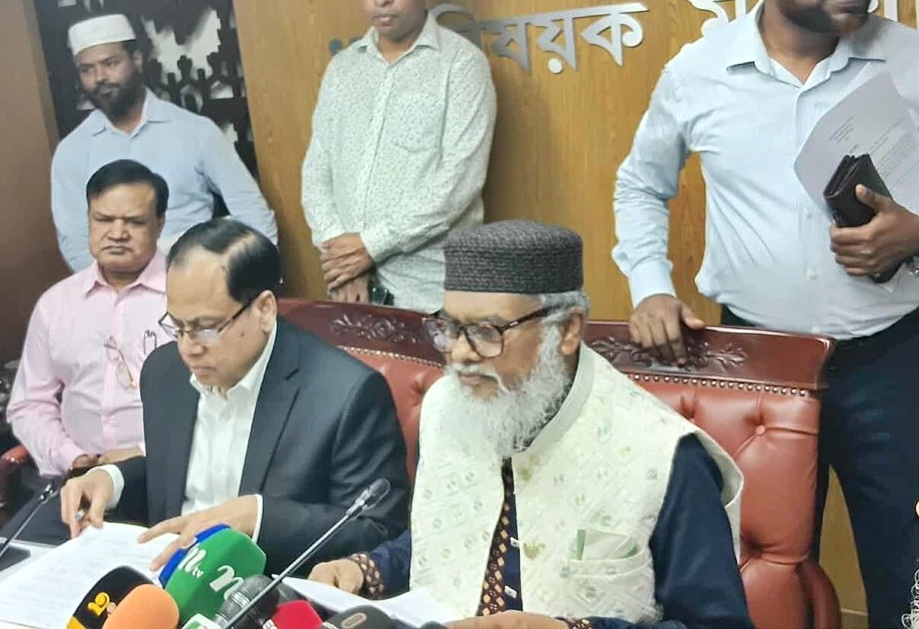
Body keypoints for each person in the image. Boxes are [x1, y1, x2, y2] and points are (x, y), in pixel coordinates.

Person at [612, 0, 918, 624]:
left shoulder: (910, 62)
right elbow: (639, 185)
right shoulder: (698, 72)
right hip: (757, 366)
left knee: (907, 571)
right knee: (752, 574)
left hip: (893, 363)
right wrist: (651, 287)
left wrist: (915, 233)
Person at [309, 221, 750, 629]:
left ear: (567, 330)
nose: (459, 353)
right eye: (450, 327)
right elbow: (453, 541)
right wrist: (367, 570)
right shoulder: (448, 404)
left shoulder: (662, 453)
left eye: (486, 330)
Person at [58, 218, 409, 573]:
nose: (188, 348)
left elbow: (376, 529)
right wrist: (113, 480)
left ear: (264, 310)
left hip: (267, 587)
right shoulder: (164, 373)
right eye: (178, 326)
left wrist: (258, 517)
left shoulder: (345, 394)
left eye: (207, 328)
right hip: (168, 578)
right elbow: (176, 475)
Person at [301, 0, 495, 313]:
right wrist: (342, 258)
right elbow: (316, 172)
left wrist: (370, 247)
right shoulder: (343, 69)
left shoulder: (460, 65)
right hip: (350, 289)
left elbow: (457, 185)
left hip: (434, 296)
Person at [50, 14, 277, 272]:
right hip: (120, 286)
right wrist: (112, 290)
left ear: (137, 60)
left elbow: (251, 209)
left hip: (200, 277)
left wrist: (255, 278)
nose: (99, 77)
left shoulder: (195, 131)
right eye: (87, 69)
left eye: (110, 63)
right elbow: (75, 241)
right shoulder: (72, 151)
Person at [7, 160, 172, 492]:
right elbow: (30, 404)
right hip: (76, 479)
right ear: (88, 219)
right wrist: (72, 457)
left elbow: (216, 405)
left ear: (160, 223)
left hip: (167, 475)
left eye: (134, 222)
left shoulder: (187, 294)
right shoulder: (56, 303)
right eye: (104, 219)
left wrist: (142, 455)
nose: (117, 233)